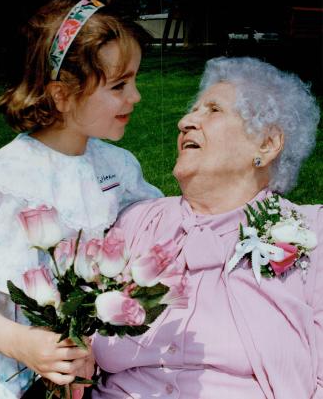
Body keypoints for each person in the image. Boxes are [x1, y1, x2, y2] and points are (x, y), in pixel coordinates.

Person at [91, 56, 322, 399]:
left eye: (213, 110)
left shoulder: (311, 233)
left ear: (267, 144)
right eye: (192, 111)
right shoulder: (137, 221)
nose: (185, 122)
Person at [0, 0, 163, 398]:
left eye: (135, 81)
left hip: (90, 360)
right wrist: (20, 343)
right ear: (62, 96)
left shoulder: (117, 165)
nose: (136, 97)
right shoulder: (10, 177)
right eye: (120, 85)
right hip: (14, 365)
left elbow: (154, 226)